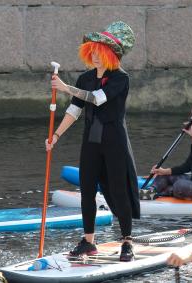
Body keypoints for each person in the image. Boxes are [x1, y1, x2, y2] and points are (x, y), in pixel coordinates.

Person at [46, 21, 140, 261]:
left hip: (115, 141)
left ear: (111, 54)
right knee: (86, 190)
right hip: (91, 141)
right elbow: (75, 111)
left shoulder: (121, 78)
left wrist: (66, 88)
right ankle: (89, 242)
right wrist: (55, 136)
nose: (96, 55)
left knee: (119, 191)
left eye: (102, 51)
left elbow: (97, 99)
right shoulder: (85, 78)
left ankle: (127, 242)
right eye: (94, 50)